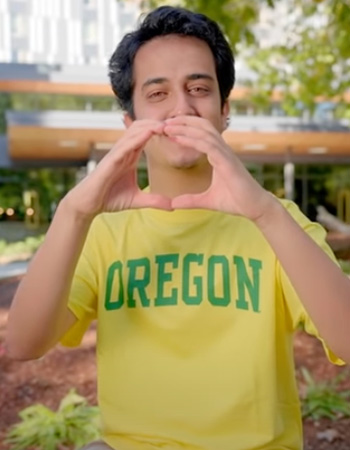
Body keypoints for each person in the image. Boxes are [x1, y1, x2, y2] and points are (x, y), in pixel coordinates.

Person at [6, 6, 350, 450]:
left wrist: (265, 213)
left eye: (199, 88)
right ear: (131, 124)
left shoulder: (277, 219)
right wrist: (74, 212)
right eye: (157, 94)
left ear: (224, 112)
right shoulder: (103, 230)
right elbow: (24, 343)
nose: (182, 107)